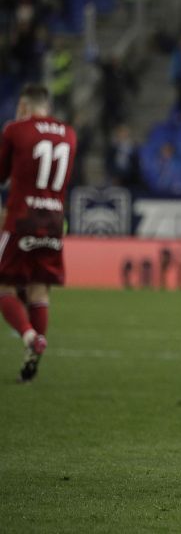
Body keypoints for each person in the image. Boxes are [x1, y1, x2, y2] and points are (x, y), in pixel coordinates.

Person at [0, 83, 77, 382]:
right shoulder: (69, 133)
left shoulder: (16, 130)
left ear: (23, 106)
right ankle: (34, 358)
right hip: (55, 219)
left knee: (4, 286)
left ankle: (31, 337)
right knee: (39, 289)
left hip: (21, 218)